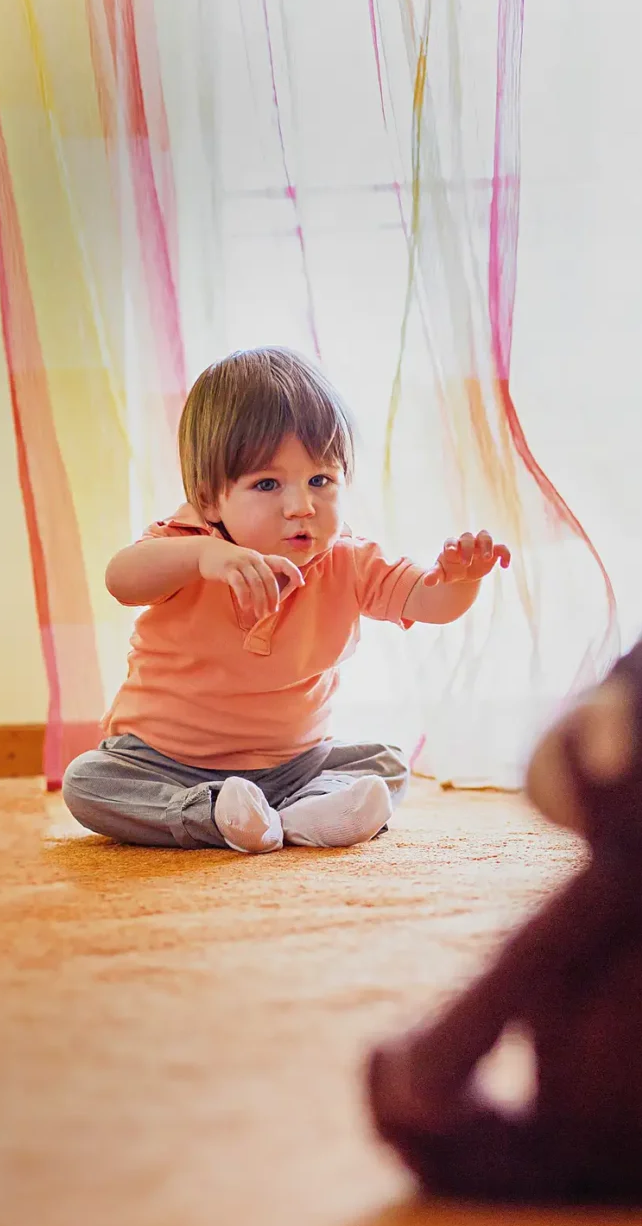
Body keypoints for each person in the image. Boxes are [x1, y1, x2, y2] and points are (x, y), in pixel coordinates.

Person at [62, 347, 510, 853]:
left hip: (296, 764)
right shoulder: (187, 546)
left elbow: (431, 603)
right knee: (88, 782)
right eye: (268, 484)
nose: (301, 507)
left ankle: (307, 813)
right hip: (164, 762)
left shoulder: (349, 561)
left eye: (320, 480)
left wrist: (460, 579)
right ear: (211, 500)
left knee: (385, 762)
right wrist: (202, 557)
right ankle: (215, 813)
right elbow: (121, 580)